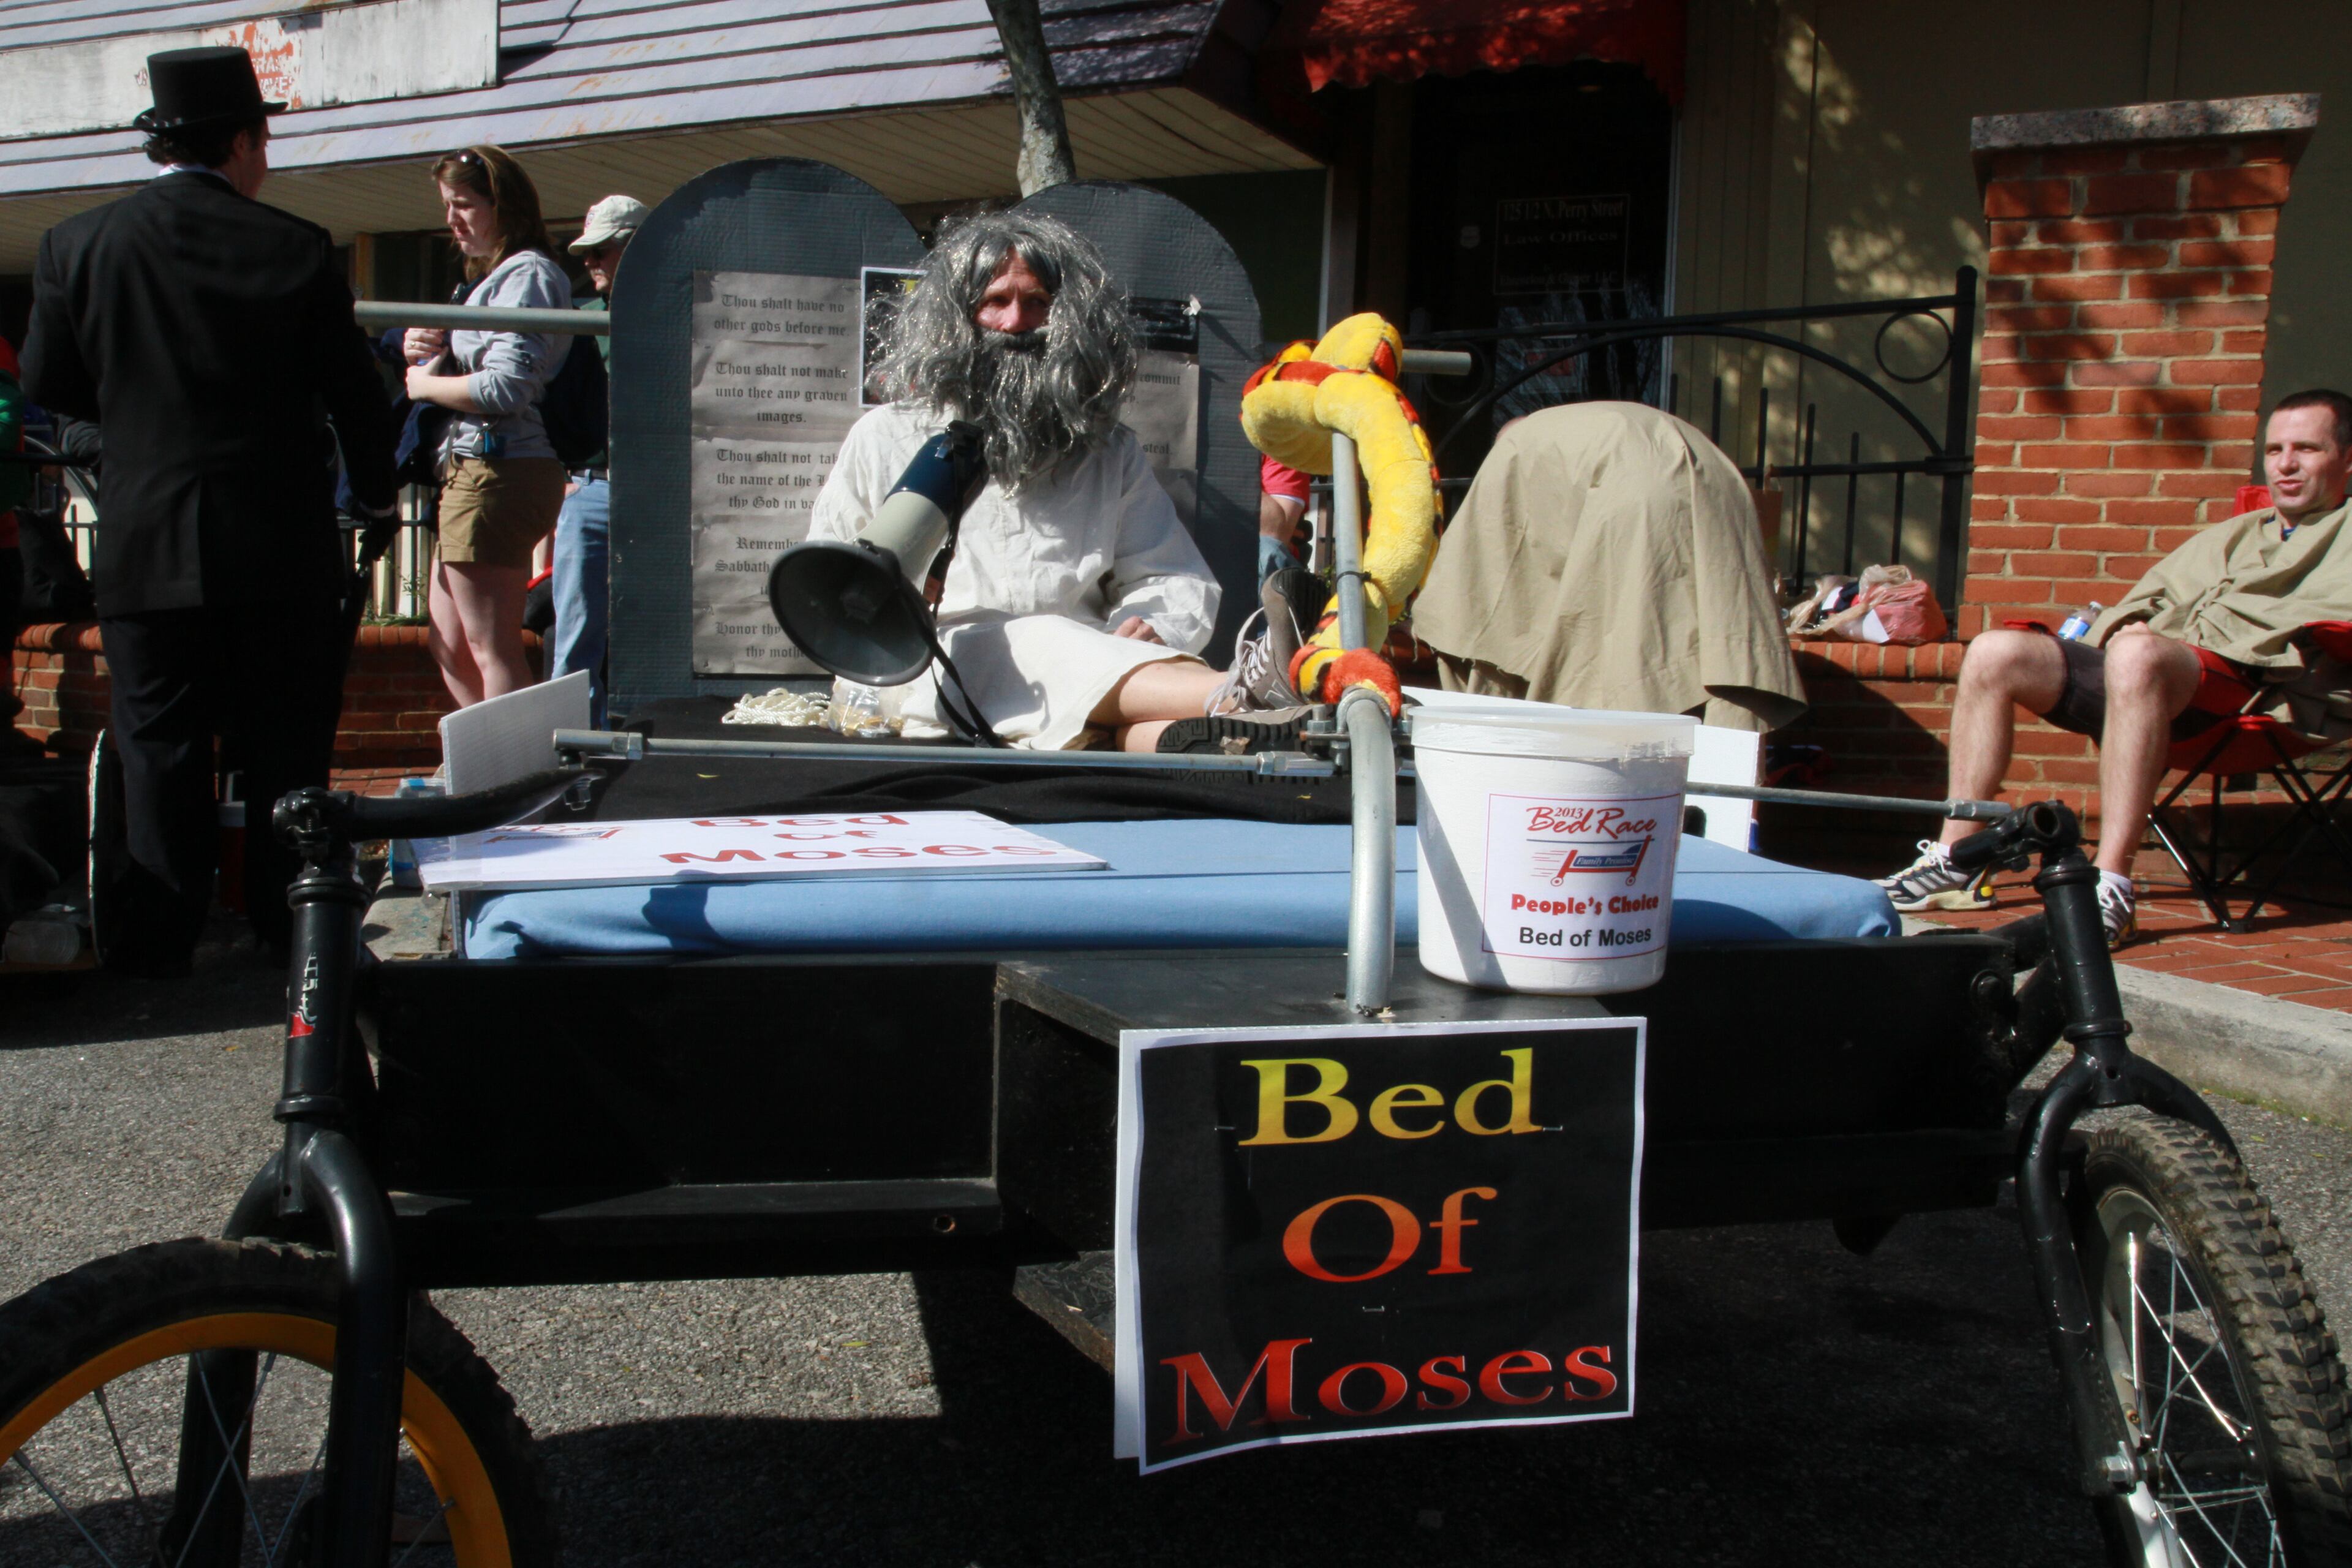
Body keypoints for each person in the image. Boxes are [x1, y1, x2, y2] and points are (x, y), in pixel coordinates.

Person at [21, 46, 399, 973]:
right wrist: (375, 495)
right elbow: (358, 396)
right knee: (285, 742)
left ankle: (159, 936)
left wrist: (124, 433)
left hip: (146, 539)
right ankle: (285, 920)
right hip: (277, 540)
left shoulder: (77, 244)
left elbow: (48, 382)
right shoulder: (296, 246)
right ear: (241, 142)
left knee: (159, 744)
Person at [1876, 390, 2352, 947]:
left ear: (2347, 459)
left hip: (2255, 693)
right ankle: (1958, 858)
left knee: (2137, 654)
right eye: (2274, 450)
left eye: (2306, 449)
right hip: (2158, 676)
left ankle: (2111, 885)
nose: (2285, 464)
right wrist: (2131, 628)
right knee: (1994, 651)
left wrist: (2151, 642)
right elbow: (2142, 600)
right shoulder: (2242, 531)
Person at [811, 211, 1299, 753]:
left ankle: (1242, 728)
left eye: (1038, 303)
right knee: (1035, 638)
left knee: (1119, 703)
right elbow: (830, 583)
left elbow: (1171, 576)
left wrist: (1146, 623)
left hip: (1092, 673)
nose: (1017, 322)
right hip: (935, 670)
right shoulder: (886, 437)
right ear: (959, 317)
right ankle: (1251, 691)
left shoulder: (1107, 449)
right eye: (996, 301)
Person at [1411, 401, 1807, 733]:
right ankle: (1714, 769)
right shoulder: (1578, 429)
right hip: (1720, 482)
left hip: (1631, 493)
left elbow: (1481, 582)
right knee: (1706, 638)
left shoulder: (1518, 446)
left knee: (1617, 647)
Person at [403, 145, 571, 707]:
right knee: (451, 643)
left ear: (504, 205)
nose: (452, 220)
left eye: (465, 205)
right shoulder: (498, 277)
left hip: (498, 466)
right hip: (478, 466)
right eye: (447, 205)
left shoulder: (528, 274)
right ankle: (487, 753)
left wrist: (423, 385)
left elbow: (506, 388)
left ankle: (516, 760)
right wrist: (428, 347)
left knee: (490, 647)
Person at [551, 193, 645, 726]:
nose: (589, 262)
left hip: (661, 491)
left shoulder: (684, 311)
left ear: (637, 247)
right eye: (585, 253)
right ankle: (576, 743)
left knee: (663, 626)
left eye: (601, 250)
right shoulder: (578, 320)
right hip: (594, 486)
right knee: (577, 631)